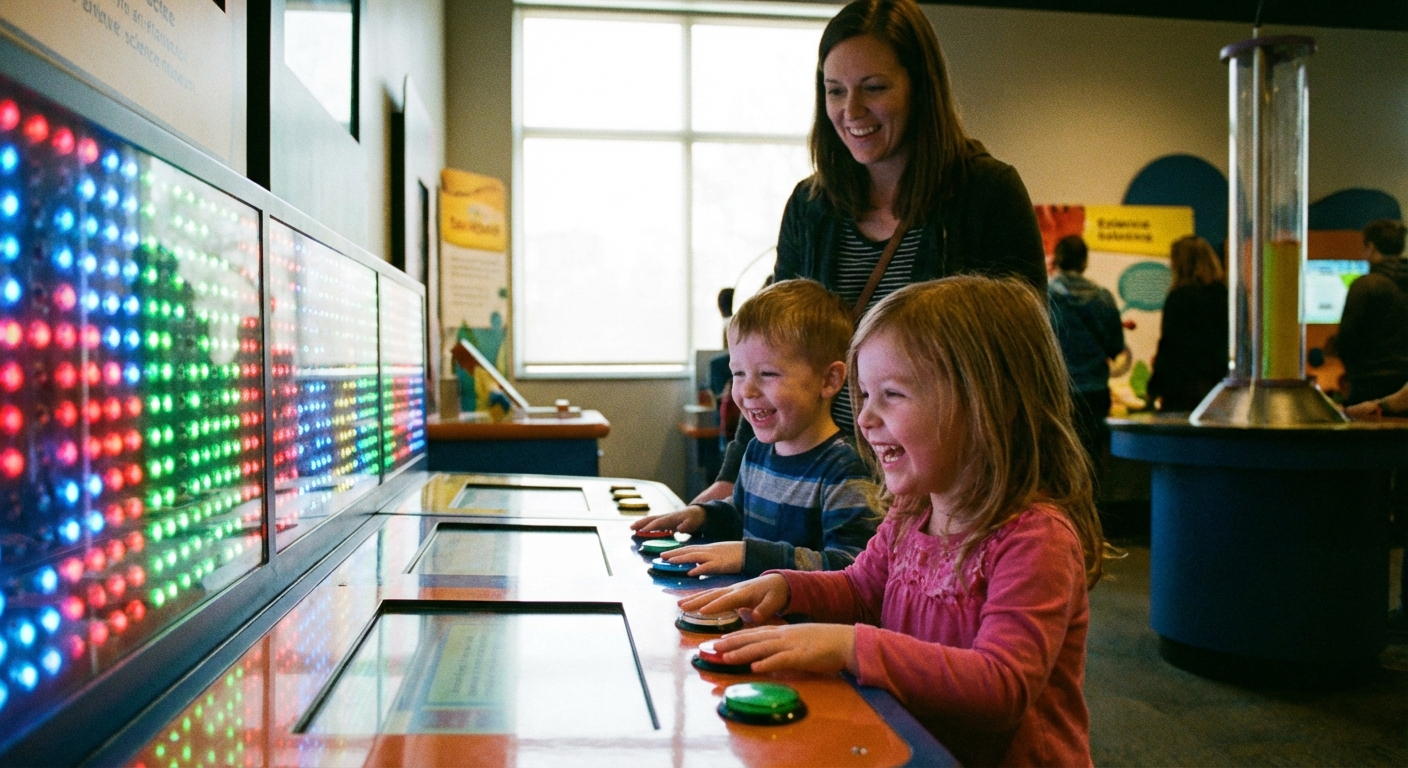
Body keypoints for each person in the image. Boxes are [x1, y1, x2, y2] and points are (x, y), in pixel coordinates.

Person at [680, 277, 1106, 767]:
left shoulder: (1035, 539)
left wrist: (851, 647)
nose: (864, 419)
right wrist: (785, 586)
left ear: (992, 403)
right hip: (914, 748)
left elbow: (1001, 685)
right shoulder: (912, 513)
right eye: (864, 395)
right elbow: (860, 590)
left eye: (892, 395)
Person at [695, 0, 1046, 504]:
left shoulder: (985, 194)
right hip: (822, 487)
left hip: (943, 492)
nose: (851, 111)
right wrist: (732, 478)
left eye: (874, 88)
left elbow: (1019, 364)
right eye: (835, 91)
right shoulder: (811, 206)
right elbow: (772, 355)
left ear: (921, 89)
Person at [631, 279, 879, 576]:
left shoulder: (846, 469)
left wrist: (749, 556)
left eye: (768, 373)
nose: (747, 391)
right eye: (738, 372)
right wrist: (701, 515)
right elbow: (740, 514)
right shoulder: (757, 452)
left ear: (829, 380)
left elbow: (852, 568)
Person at [1047, 235, 1123, 480]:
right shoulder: (1103, 298)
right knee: (1092, 466)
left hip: (1058, 394)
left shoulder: (1044, 297)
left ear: (1056, 259)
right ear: (1084, 262)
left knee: (1059, 468)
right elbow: (1115, 346)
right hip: (1096, 394)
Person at [1145, 235, 1229, 412]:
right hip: (1217, 388)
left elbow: (1170, 345)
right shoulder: (1224, 295)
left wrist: (1153, 387)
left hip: (1182, 390)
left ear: (1181, 264)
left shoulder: (1179, 297)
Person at [1336, 219, 1408, 406]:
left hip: (1369, 386)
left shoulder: (1365, 286)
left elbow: (1347, 338)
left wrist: (1352, 374)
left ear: (1371, 246)